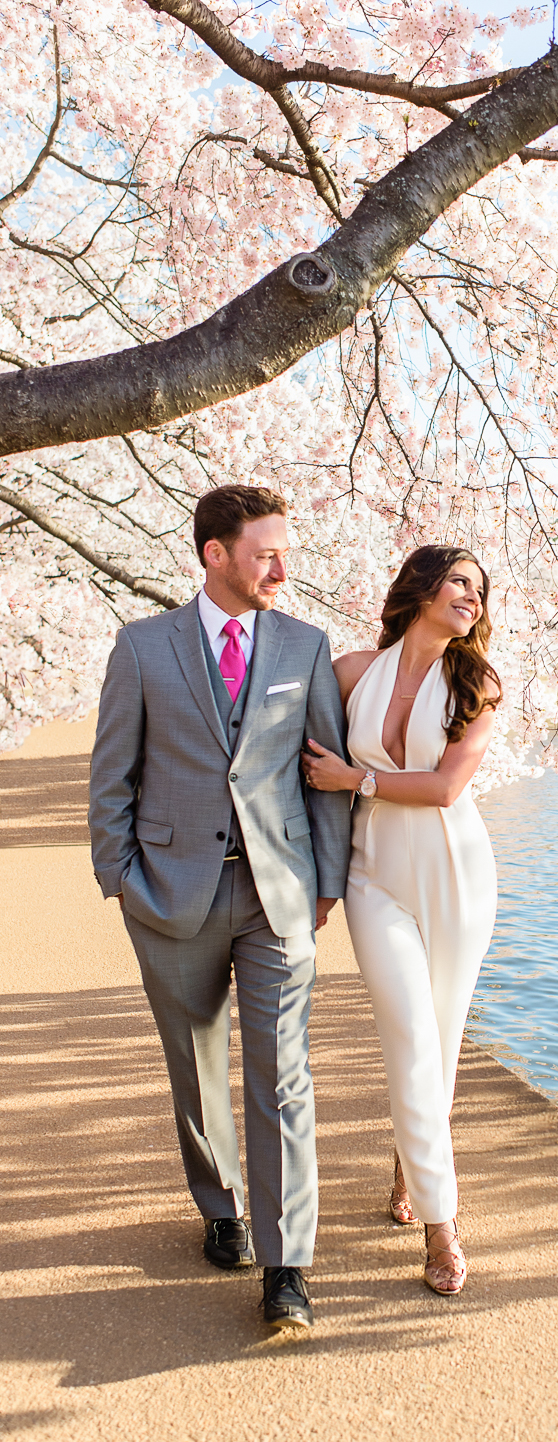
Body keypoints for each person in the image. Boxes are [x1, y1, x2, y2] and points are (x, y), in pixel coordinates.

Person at [88, 484, 351, 1330]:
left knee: (283, 1077)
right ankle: (222, 1206)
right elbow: (110, 781)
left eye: (284, 551)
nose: (282, 567)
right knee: (197, 1069)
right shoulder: (142, 648)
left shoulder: (305, 647)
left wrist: (327, 884)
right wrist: (121, 880)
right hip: (169, 895)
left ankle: (286, 1266)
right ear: (216, 555)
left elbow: (324, 777)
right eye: (266, 552)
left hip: (276, 897)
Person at [301, 545, 501, 1295]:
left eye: (480, 590)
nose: (472, 597)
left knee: (441, 1042)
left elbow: (449, 788)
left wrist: (358, 778)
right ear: (421, 587)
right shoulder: (353, 672)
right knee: (412, 1035)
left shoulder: (475, 682)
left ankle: (409, 1165)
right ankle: (443, 1226)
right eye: (459, 581)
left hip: (457, 876)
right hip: (371, 875)